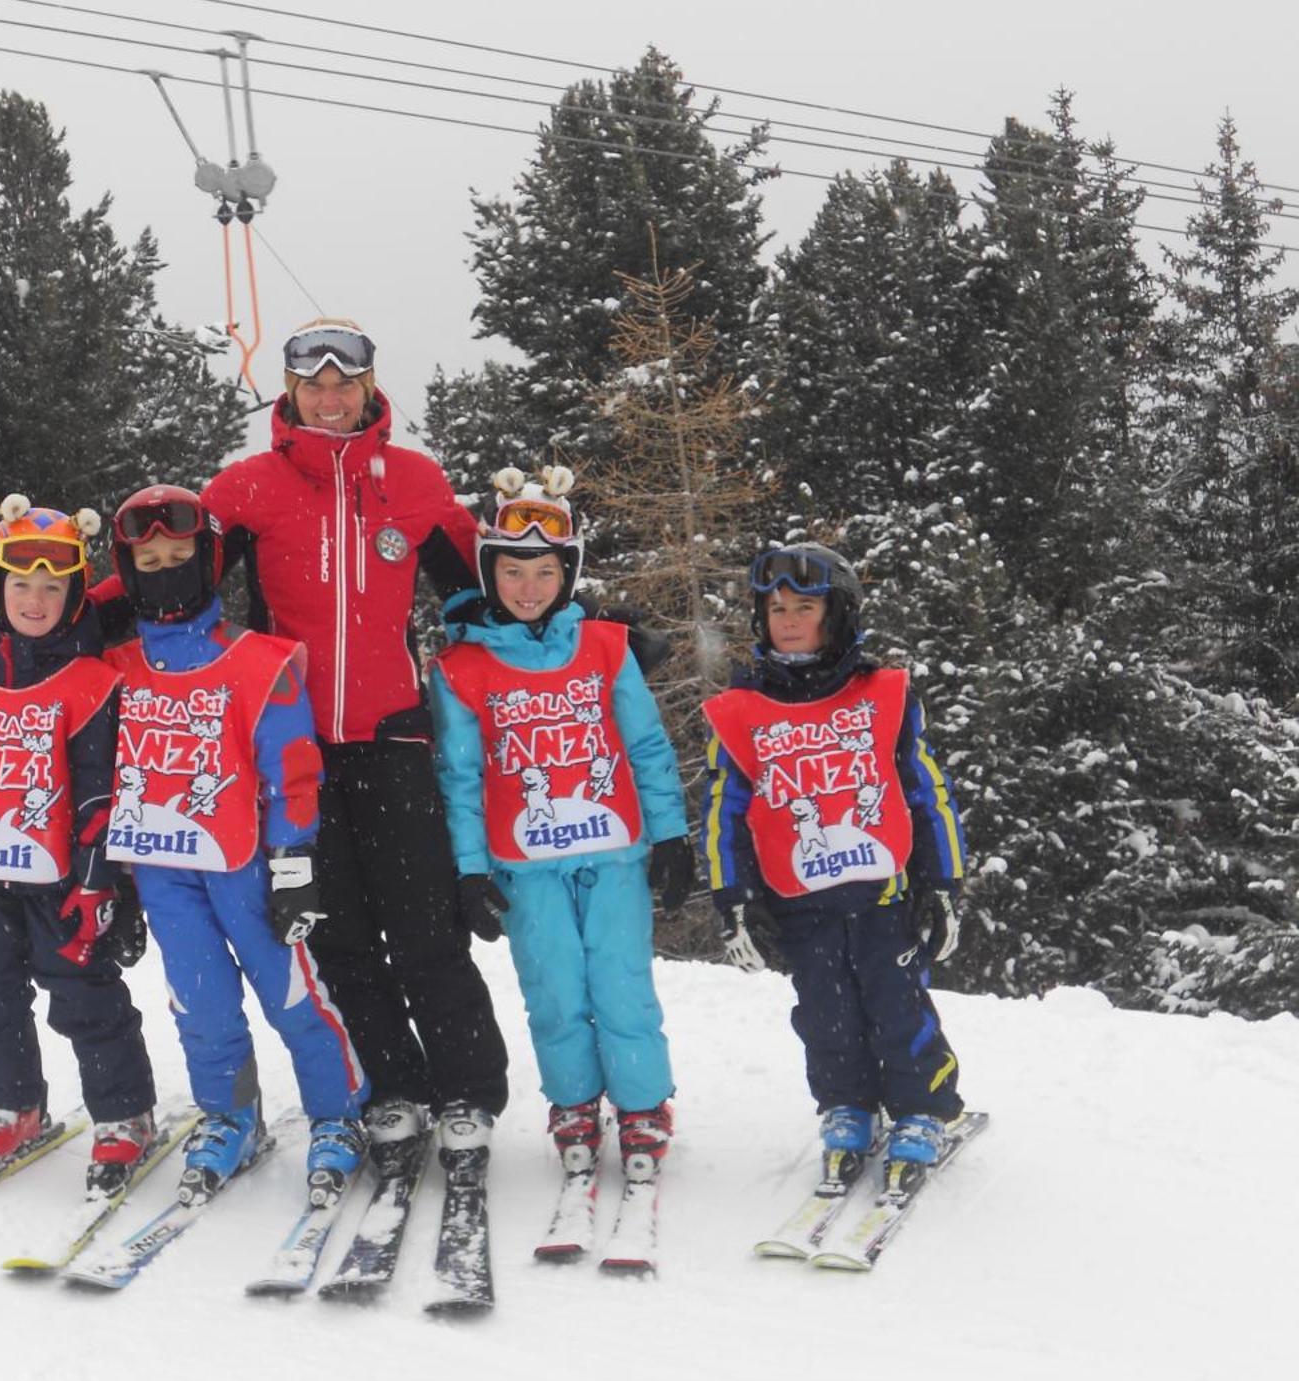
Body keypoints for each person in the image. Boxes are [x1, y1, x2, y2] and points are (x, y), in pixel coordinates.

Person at [190, 318, 512, 1178]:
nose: (330, 397)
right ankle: (388, 1091)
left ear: (370, 389)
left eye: (346, 383)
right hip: (292, 750)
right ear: (290, 394)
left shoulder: (413, 482)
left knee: (426, 926)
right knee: (335, 933)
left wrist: (599, 633)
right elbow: (169, 581)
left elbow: (496, 586)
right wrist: (66, 617)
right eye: (313, 384)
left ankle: (467, 1091)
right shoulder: (247, 490)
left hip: (394, 735)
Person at [104, 485, 370, 1206]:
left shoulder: (263, 663)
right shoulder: (117, 669)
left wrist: (293, 870)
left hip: (245, 866)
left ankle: (339, 1113)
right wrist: (111, 883)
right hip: (162, 870)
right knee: (200, 1003)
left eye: (180, 557)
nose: (164, 571)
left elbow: (294, 776)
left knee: (290, 993)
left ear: (209, 561)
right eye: (148, 561)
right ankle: (231, 1115)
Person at [430, 466, 696, 1180]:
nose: (528, 588)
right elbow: (460, 777)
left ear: (567, 573)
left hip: (613, 855)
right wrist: (469, 869)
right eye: (513, 571)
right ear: (490, 574)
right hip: (523, 865)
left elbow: (645, 746)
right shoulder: (461, 667)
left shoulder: (607, 647)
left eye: (545, 571)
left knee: (620, 980)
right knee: (553, 986)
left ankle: (642, 1104)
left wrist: (672, 835)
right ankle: (573, 1102)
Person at [0, 495, 159, 1196]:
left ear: (76, 594)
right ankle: (12, 1103)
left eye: (53, 587)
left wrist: (95, 881)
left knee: (82, 993)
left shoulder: (90, 683)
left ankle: (122, 1113)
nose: (36, 599)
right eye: (21, 584)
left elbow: (99, 795)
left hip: (60, 880)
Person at [700, 542, 971, 1192]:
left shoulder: (884, 694)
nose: (788, 620)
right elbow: (724, 808)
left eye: (805, 607)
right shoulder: (742, 711)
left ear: (838, 614)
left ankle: (923, 1108)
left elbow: (926, 792)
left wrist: (943, 884)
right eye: (776, 608)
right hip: (801, 902)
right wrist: (729, 894)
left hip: (884, 896)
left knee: (895, 1006)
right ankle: (846, 1104)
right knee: (825, 1014)